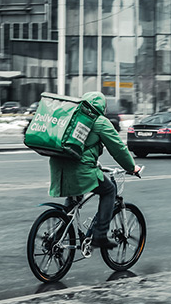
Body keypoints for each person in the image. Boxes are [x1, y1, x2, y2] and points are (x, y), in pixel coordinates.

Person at [48, 91, 141, 249]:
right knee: (109, 190)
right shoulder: (99, 122)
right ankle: (100, 235)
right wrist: (132, 167)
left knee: (73, 202)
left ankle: (55, 238)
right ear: (102, 107)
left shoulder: (72, 118)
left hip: (59, 166)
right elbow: (118, 148)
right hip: (80, 169)